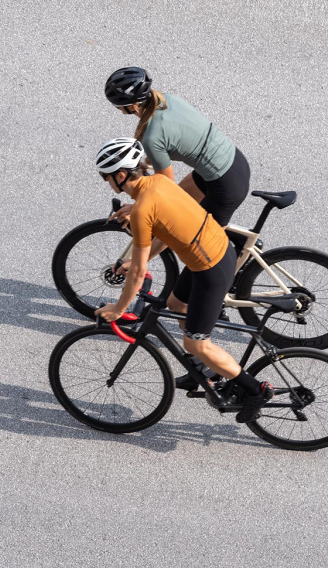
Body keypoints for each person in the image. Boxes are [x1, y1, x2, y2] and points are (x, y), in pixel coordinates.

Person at [93, 137, 273, 423]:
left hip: (212, 269)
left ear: (121, 175)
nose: (107, 183)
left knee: (195, 344)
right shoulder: (159, 184)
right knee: (176, 305)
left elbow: (138, 274)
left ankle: (255, 389)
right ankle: (207, 371)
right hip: (214, 252)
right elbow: (167, 231)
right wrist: (137, 261)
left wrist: (118, 308)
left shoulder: (141, 210)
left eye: (107, 178)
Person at [105, 66, 251, 389]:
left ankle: (218, 297)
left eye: (118, 106)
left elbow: (164, 196)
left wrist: (142, 216)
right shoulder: (163, 101)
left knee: (180, 231)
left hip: (223, 184)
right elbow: (159, 192)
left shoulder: (152, 137)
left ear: (128, 106)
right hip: (229, 163)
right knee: (183, 221)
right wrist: (138, 201)